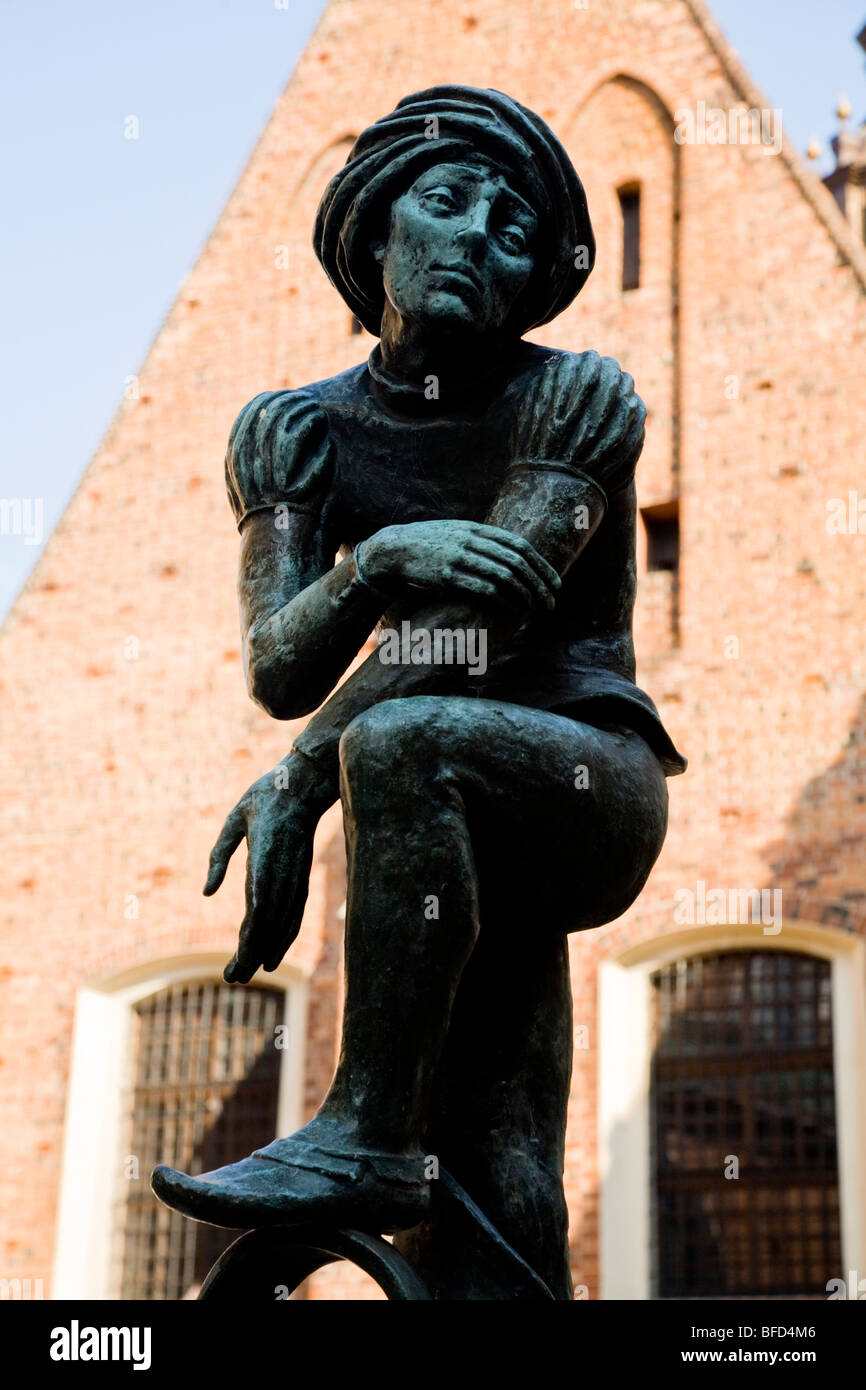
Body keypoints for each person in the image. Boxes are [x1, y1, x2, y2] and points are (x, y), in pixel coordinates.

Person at [153, 86, 686, 1299]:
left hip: (585, 785)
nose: (471, 239)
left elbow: (480, 614)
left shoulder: (577, 399)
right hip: (447, 828)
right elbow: (280, 666)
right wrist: (376, 561)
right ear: (373, 227)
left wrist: (300, 780)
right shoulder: (295, 432)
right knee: (505, 1164)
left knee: (397, 743)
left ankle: (366, 1135)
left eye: (510, 231)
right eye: (444, 203)